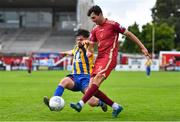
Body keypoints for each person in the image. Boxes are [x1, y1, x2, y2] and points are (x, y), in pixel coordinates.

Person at [70, 5, 151, 117]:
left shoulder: (113, 25)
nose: (92, 20)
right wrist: (88, 50)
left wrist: (142, 47)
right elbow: (92, 47)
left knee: (97, 80)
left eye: (93, 17)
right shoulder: (94, 30)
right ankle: (116, 107)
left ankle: (80, 104)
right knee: (91, 88)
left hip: (110, 57)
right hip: (100, 59)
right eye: (91, 18)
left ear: (100, 14)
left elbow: (129, 34)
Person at [43, 29, 107, 112]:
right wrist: (62, 53)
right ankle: (53, 102)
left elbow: (90, 51)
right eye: (77, 39)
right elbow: (70, 52)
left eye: (81, 39)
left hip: (86, 78)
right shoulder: (76, 48)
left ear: (86, 39)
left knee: (91, 102)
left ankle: (101, 103)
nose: (79, 41)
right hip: (75, 77)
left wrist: (87, 43)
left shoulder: (89, 47)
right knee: (64, 81)